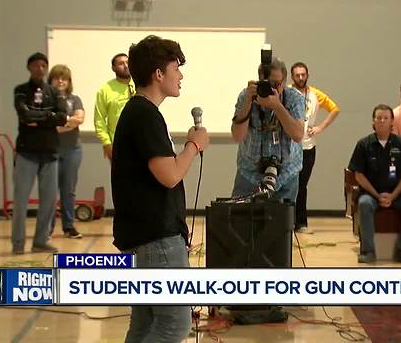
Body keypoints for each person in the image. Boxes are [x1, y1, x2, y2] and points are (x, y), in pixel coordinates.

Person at [112, 35, 209, 342]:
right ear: (158, 74)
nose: (180, 76)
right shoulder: (144, 115)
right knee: (174, 324)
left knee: (144, 324)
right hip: (155, 240)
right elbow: (169, 175)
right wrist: (193, 146)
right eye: (175, 68)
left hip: (147, 237)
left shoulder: (139, 112)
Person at [348, 104, 401, 264]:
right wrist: (377, 195)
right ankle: (368, 251)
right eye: (378, 118)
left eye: (385, 118)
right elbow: (358, 175)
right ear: (373, 122)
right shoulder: (363, 144)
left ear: (391, 121)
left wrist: (393, 196)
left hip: (397, 193)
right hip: (370, 194)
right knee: (365, 205)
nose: (382, 121)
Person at [11, 52, 67, 254]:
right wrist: (48, 116)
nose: (40, 68)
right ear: (29, 67)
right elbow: (24, 115)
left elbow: (62, 118)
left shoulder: (54, 92)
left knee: (49, 201)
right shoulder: (21, 91)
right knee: (20, 201)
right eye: (36, 65)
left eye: (43, 65)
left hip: (50, 154)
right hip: (27, 153)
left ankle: (40, 241)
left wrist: (40, 118)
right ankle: (18, 244)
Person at [230, 57, 305, 202]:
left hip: (285, 173)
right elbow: (237, 136)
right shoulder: (247, 96)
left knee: (282, 223)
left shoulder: (294, 98)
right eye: (267, 83)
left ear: (284, 81)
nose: (271, 88)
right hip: (249, 173)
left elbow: (297, 135)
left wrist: (277, 106)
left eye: (276, 84)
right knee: (241, 221)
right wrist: (247, 103)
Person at [290, 62, 340, 234]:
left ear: (308, 75)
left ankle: (301, 223)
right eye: (297, 75)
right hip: (289, 147)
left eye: (303, 74)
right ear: (292, 77)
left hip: (308, 147)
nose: (301, 78)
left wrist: (319, 127)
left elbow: (334, 109)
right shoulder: (287, 93)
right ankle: (286, 222)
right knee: (289, 184)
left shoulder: (315, 94)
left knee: (302, 185)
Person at [48, 64, 84, 239]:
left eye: (64, 78)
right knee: (50, 190)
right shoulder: (46, 100)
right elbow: (46, 125)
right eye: (57, 77)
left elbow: (80, 118)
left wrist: (60, 122)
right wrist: (67, 123)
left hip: (72, 151)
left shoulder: (74, 99)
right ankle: (46, 230)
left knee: (68, 190)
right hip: (51, 151)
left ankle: (69, 227)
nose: (61, 81)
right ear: (51, 80)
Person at [94, 53, 135, 161]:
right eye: (121, 63)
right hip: (118, 144)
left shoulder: (141, 85)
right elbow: (99, 119)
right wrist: (106, 143)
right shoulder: (105, 90)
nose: (126, 66)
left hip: (141, 143)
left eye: (127, 62)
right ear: (113, 68)